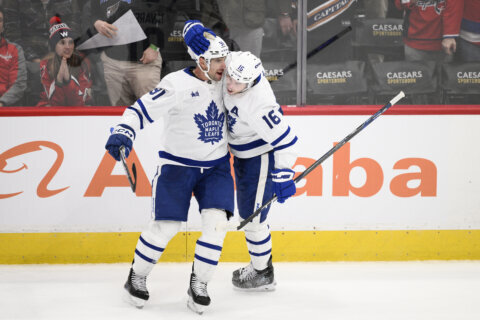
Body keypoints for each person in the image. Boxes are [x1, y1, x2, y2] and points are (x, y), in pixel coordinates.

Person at [104, 32, 233, 314]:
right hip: (177, 166)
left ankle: (199, 283)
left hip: (217, 167)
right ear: (201, 60)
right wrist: (124, 130)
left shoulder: (228, 81)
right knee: (165, 228)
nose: (225, 64)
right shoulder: (176, 84)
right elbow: (140, 110)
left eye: (225, 57)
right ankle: (136, 276)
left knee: (216, 226)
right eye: (218, 59)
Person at [184, 22, 298, 291]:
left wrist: (283, 175)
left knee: (253, 217)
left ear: (253, 81)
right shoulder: (233, 62)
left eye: (238, 82)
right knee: (250, 215)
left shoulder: (260, 104)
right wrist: (194, 33)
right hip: (238, 153)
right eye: (230, 77)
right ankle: (262, 267)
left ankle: (262, 272)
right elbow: (208, 45)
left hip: (258, 159)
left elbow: (286, 141)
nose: (230, 84)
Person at [85, 0, 164, 106]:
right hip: (113, 63)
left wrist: (155, 46)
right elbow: (92, 13)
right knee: (121, 115)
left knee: (150, 110)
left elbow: (168, 13)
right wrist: (96, 22)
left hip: (144, 62)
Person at [3, 0, 81, 105]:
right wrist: (35, 58)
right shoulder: (13, 2)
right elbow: (12, 35)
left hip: (62, 49)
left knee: (77, 68)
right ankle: (37, 113)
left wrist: (59, 52)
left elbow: (75, 28)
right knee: (36, 73)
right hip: (28, 54)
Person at [37, 16, 92, 106]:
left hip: (78, 108)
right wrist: (59, 81)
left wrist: (68, 81)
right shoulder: (45, 64)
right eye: (62, 42)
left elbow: (79, 102)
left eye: (70, 42)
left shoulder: (83, 62)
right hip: (53, 109)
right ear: (54, 46)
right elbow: (54, 103)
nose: (67, 46)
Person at [394, 0, 463, 62]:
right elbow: (398, 4)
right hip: (414, 40)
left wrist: (449, 35)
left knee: (443, 75)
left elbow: (455, 5)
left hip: (442, 42)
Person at [0, 6, 27, 107]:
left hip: (7, 108)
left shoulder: (15, 50)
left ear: (3, 27)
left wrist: (2, 102)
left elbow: (19, 84)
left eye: (0, 20)